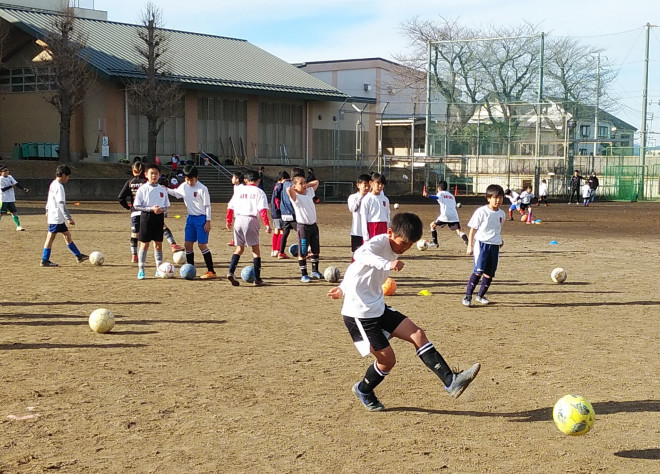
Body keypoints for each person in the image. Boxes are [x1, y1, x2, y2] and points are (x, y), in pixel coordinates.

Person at [328, 212, 481, 411]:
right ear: (390, 233)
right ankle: (363, 389)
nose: (405, 248)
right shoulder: (378, 243)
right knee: (387, 361)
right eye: (403, 243)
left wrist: (342, 287)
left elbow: (356, 270)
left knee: (417, 334)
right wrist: (385, 264)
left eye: (409, 245)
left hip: (377, 306)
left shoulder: (395, 246)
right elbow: (359, 256)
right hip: (359, 314)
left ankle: (451, 381)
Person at [118, 162, 183, 263]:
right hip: (150, 212)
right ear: (145, 173)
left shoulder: (130, 182)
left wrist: (128, 207)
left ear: (133, 170)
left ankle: (134, 255)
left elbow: (121, 198)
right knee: (162, 227)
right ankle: (173, 244)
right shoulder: (147, 182)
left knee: (135, 234)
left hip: (136, 212)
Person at [166, 164, 217, 279]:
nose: (190, 182)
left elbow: (207, 206)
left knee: (201, 244)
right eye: (187, 179)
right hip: (190, 218)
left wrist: (208, 221)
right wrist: (165, 189)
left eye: (192, 179)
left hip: (201, 218)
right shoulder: (184, 186)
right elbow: (176, 193)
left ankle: (211, 271)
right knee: (188, 245)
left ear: (197, 177)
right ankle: (190, 269)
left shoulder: (202, 188)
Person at [225, 169, 271, 286]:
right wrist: (267, 225)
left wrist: (228, 220)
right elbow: (262, 210)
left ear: (245, 180)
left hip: (239, 219)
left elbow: (230, 206)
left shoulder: (239, 190)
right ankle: (258, 279)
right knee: (255, 250)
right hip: (251, 219)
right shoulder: (259, 192)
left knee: (239, 249)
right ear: (258, 180)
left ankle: (231, 271)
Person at [462, 184, 506, 307]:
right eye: (495, 197)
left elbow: (496, 229)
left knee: (489, 273)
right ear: (488, 198)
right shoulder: (481, 212)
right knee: (478, 271)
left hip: (494, 246)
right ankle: (468, 296)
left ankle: (480, 295)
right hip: (481, 245)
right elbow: (473, 230)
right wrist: (470, 245)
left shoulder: (502, 214)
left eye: (500, 198)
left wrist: (499, 240)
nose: (498, 200)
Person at [40, 165, 89, 267]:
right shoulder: (59, 186)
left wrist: (47, 210)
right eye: (67, 176)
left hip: (55, 216)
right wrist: (68, 218)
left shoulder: (53, 184)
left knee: (66, 235)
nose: (68, 178)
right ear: (62, 175)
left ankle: (78, 256)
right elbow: (61, 203)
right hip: (57, 217)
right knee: (51, 237)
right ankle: (44, 260)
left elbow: (49, 199)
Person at [132, 164, 171, 280]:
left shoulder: (162, 190)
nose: (154, 176)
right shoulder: (143, 189)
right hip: (146, 217)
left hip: (159, 218)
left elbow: (167, 205)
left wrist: (161, 210)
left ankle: (159, 269)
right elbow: (137, 205)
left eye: (156, 173)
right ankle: (141, 269)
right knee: (145, 244)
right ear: (146, 175)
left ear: (159, 175)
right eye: (151, 173)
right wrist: (150, 209)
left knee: (158, 244)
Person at [286, 175, 321, 282]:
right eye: (301, 183)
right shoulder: (296, 197)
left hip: (313, 226)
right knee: (303, 251)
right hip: (303, 227)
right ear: (295, 186)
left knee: (315, 250)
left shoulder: (309, 193)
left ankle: (314, 271)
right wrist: (296, 187)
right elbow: (288, 189)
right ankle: (304, 274)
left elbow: (316, 182)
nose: (304, 185)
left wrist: (305, 185)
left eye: (304, 182)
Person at [422, 180, 468, 247]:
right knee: (459, 231)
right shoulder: (451, 195)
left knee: (432, 225)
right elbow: (454, 205)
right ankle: (467, 241)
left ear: (439, 188)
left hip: (445, 215)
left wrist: (428, 195)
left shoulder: (440, 193)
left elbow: (436, 197)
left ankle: (435, 243)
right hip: (454, 215)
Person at [277, 166, 304, 258]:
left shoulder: (284, 184)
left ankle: (281, 252)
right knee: (302, 232)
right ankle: (304, 251)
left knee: (285, 233)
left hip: (284, 212)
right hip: (291, 212)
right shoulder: (291, 185)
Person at [360, 172, 390, 242]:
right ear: (371, 183)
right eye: (378, 183)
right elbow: (364, 219)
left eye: (382, 184)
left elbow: (387, 216)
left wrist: (388, 230)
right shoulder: (367, 199)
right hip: (372, 227)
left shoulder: (385, 199)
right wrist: (366, 237)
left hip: (383, 227)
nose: (380, 186)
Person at [347, 174, 371, 254]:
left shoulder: (371, 198)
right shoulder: (353, 197)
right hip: (357, 231)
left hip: (369, 231)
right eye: (365, 185)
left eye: (369, 185)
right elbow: (352, 208)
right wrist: (361, 197)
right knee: (357, 254)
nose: (367, 188)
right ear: (358, 185)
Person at [0, 165, 29, 231]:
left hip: (10, 198)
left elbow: (16, 183)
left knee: (14, 212)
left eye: (7, 170)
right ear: (1, 172)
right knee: (1, 213)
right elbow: (3, 189)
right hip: (3, 199)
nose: (7, 172)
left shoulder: (10, 177)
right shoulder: (1, 179)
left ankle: (18, 226)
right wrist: (11, 186)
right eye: (5, 171)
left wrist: (23, 188)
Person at [270, 170, 289, 257]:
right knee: (282, 231)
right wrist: (280, 209)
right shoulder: (280, 186)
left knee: (277, 230)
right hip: (278, 212)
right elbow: (277, 199)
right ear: (282, 179)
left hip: (274, 212)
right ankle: (278, 250)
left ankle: (274, 250)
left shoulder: (276, 186)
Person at [226, 171, 244, 247]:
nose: (231, 179)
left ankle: (238, 240)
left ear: (237, 179)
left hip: (241, 210)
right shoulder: (236, 187)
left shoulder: (242, 188)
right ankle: (236, 239)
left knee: (240, 226)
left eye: (233, 177)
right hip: (237, 209)